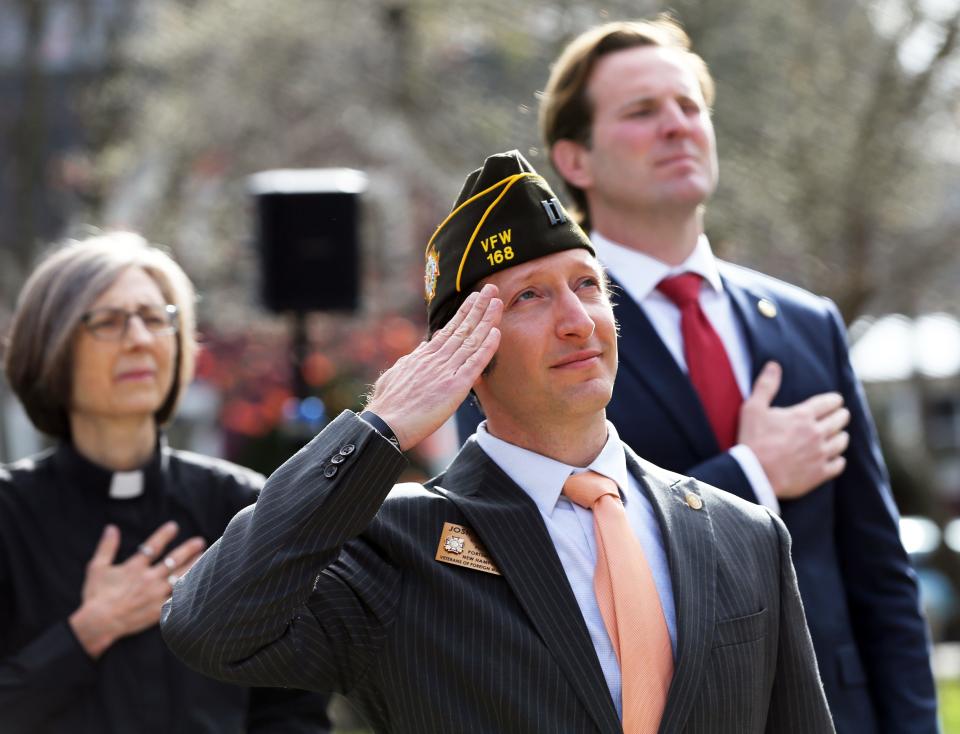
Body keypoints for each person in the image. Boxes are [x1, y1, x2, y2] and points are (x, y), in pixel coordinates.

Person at [161, 151, 834, 733]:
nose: (576, 321)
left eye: (587, 286)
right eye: (528, 299)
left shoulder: (743, 533)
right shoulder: (399, 545)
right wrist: (378, 429)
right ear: (465, 353)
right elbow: (209, 627)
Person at [523, 17, 935, 734]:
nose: (678, 126)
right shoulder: (546, 335)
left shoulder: (810, 325)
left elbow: (881, 578)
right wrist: (750, 474)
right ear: (575, 159)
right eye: (643, 111)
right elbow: (542, 548)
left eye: (690, 106)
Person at [0, 232, 331, 733]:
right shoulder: (8, 516)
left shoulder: (243, 507)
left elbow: (292, 710)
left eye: (155, 318)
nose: (139, 339)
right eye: (108, 322)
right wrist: (88, 631)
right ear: (52, 347)